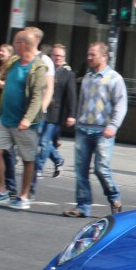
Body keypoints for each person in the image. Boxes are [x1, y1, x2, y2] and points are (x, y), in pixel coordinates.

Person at [0, 30, 48, 210]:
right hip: (5, 119)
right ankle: (2, 190)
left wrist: (28, 119)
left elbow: (36, 96)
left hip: (24, 123)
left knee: (28, 159)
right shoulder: (13, 62)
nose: (12, 47)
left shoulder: (38, 67)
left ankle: (24, 196)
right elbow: (3, 80)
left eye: (15, 43)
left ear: (22, 45)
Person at [63, 41, 127, 218]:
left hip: (103, 131)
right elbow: (82, 101)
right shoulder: (87, 77)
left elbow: (121, 105)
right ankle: (83, 206)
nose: (89, 58)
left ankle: (114, 198)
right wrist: (76, 119)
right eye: (88, 54)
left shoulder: (115, 78)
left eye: (93, 55)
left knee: (101, 168)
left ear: (104, 56)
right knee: (80, 169)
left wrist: (113, 125)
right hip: (84, 129)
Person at [35, 43, 75, 181]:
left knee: (44, 141)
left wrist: (71, 114)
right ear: (51, 56)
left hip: (55, 113)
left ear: (64, 57)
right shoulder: (44, 68)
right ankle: (58, 160)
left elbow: (71, 96)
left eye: (60, 56)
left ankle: (38, 169)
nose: (57, 58)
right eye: (55, 55)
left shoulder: (68, 74)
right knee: (41, 140)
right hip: (41, 109)